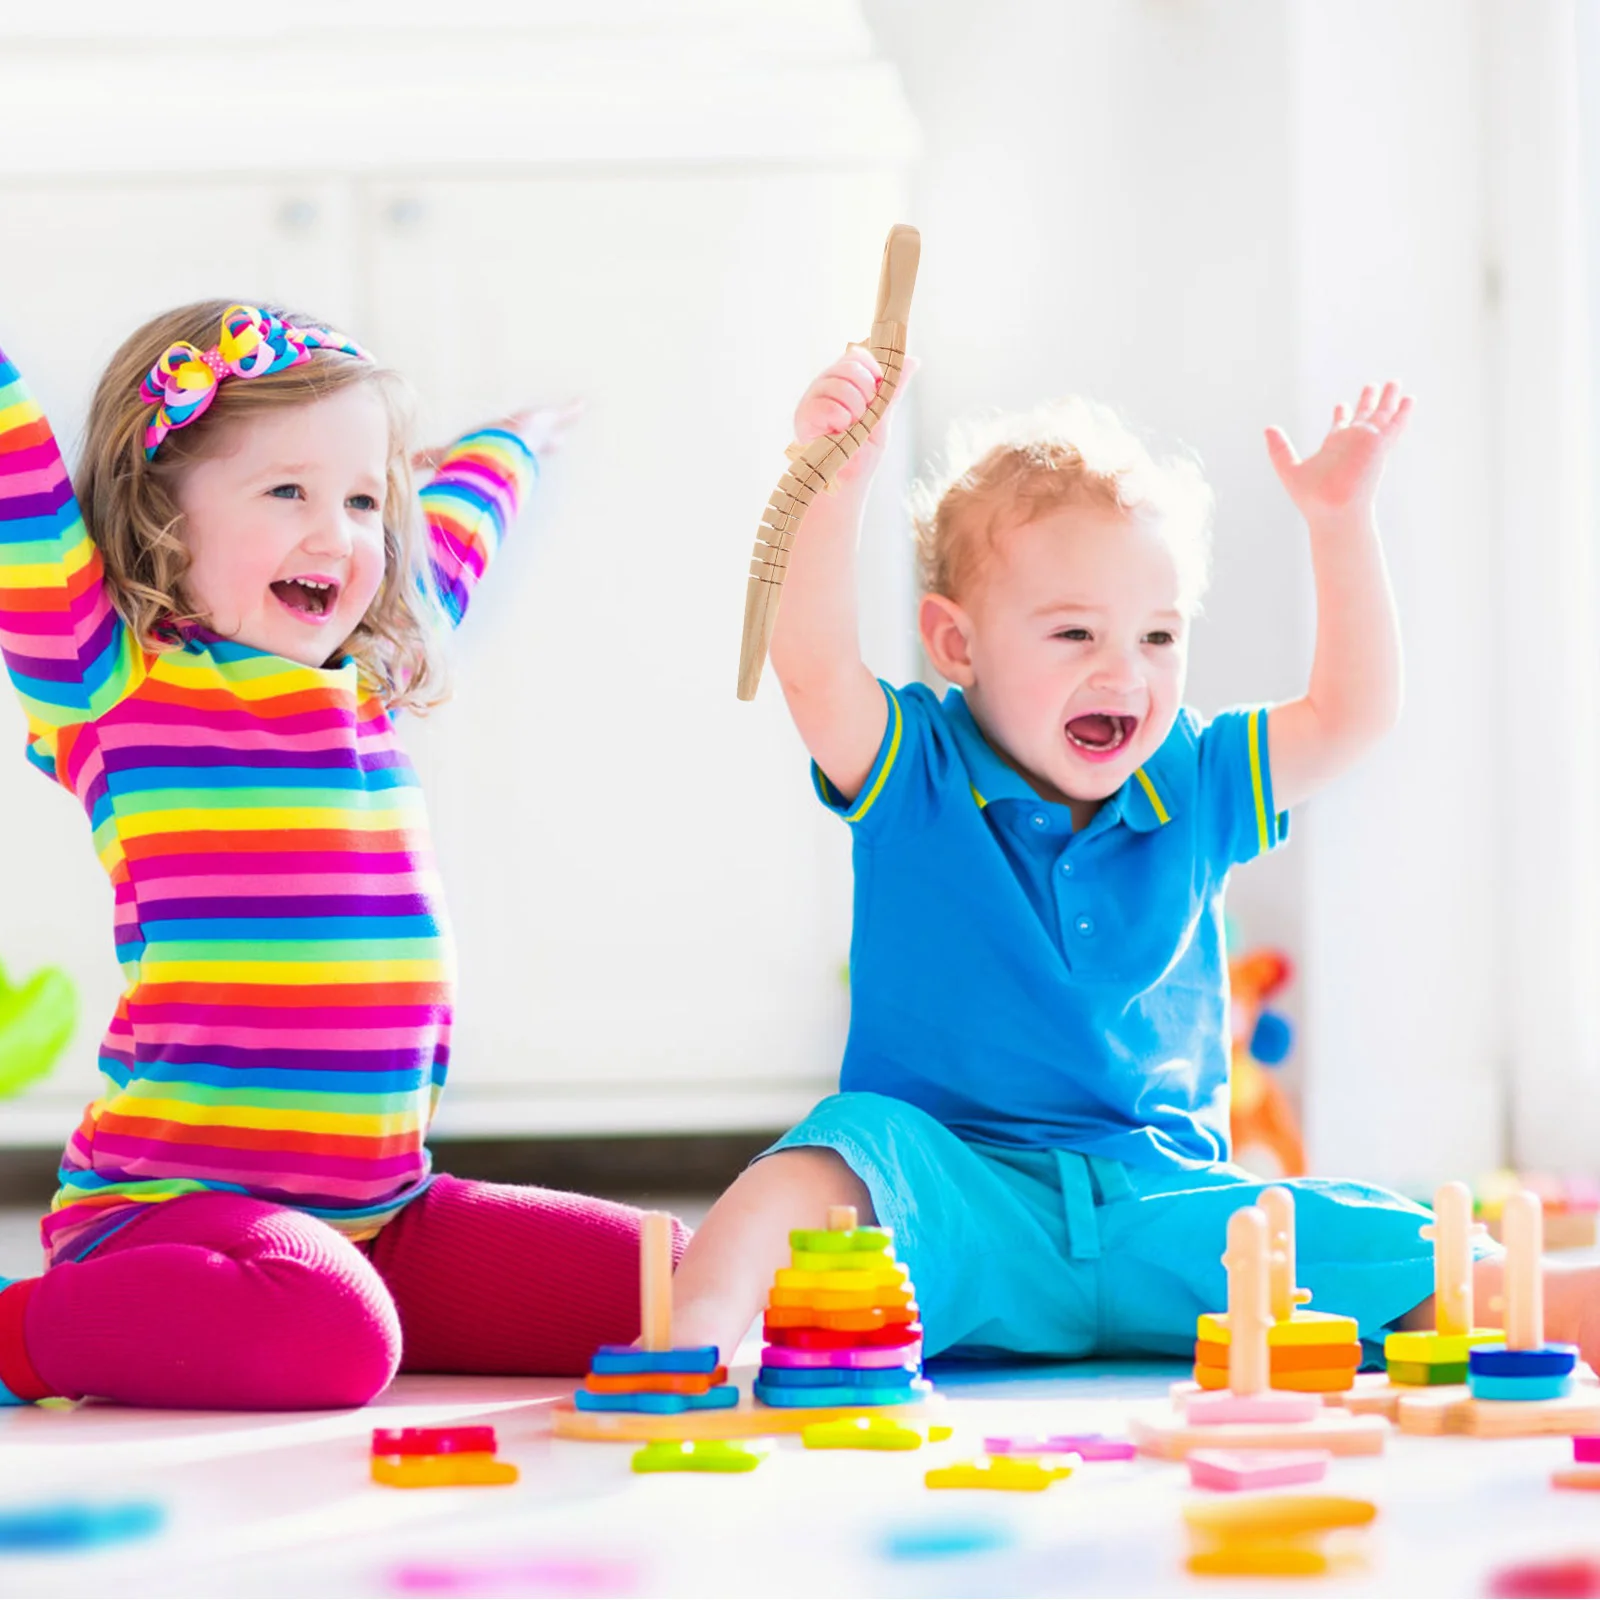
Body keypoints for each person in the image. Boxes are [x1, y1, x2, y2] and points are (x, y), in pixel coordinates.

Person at [673, 347, 1598, 1371]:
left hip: (1170, 1204)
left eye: (1159, 635)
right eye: (1074, 632)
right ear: (955, 643)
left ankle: (1553, 1301)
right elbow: (811, 671)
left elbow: (1351, 713)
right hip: (962, 1203)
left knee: (1366, 1233)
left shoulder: (1197, 776)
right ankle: (690, 1339)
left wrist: (1339, 526)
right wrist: (831, 485)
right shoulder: (918, 767)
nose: (1127, 670)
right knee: (823, 1157)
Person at [0, 301, 685, 1410]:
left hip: (382, 1211)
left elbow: (455, 525)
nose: (341, 534)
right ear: (160, 509)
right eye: (287, 493)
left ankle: (293, 1303)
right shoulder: (109, 680)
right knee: (332, 1340)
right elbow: (17, 475)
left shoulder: (366, 681)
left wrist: (510, 443)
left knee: (669, 1290)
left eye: (364, 500)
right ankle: (34, 1327)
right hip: (174, 1205)